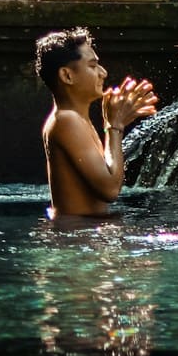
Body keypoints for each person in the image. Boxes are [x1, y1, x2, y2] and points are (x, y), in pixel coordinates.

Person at [36, 27, 159, 219]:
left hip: (83, 234)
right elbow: (109, 190)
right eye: (92, 66)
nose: (103, 72)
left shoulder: (76, 119)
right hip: (79, 237)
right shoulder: (67, 120)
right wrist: (114, 127)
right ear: (67, 75)